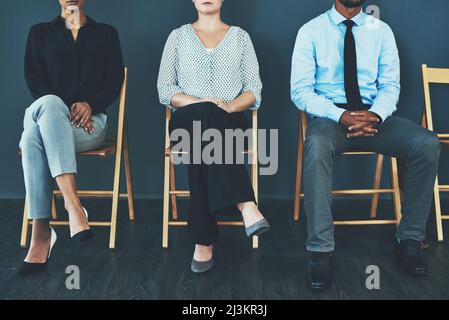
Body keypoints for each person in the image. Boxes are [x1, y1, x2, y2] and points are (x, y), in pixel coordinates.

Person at [291, 0, 441, 290]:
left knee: (426, 143)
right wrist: (341, 115)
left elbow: (390, 86)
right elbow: (300, 91)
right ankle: (320, 250)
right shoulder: (310, 31)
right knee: (317, 144)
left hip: (375, 117)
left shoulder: (381, 31)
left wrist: (374, 114)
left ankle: (409, 238)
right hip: (330, 118)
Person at [157, 0, 269, 274]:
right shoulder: (178, 36)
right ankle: (245, 203)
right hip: (186, 121)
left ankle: (203, 242)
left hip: (230, 122)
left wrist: (228, 105)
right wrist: (201, 102)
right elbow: (164, 89)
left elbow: (254, 90)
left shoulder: (241, 38)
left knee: (203, 141)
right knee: (202, 121)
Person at [19, 0, 124, 275]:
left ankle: (41, 234)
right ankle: (73, 206)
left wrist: (90, 104)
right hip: (47, 118)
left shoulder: (107, 34)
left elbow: (114, 81)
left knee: (31, 139)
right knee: (48, 106)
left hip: (89, 126)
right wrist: (61, 109)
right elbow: (34, 81)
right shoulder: (39, 33)